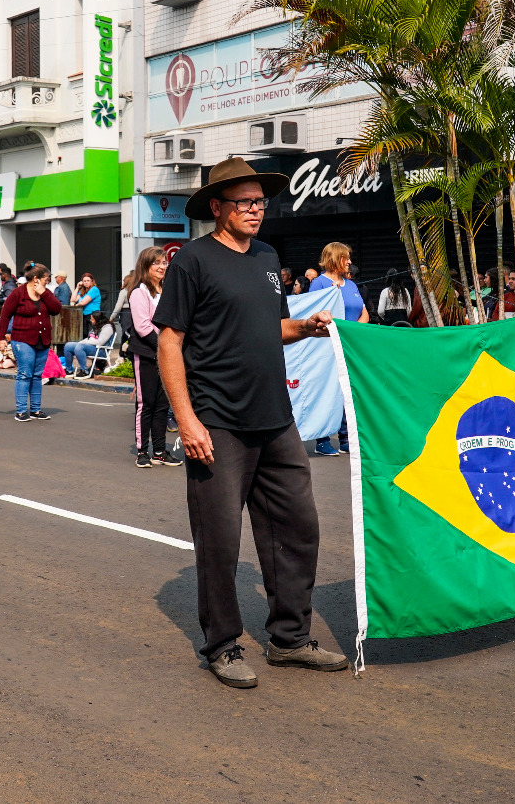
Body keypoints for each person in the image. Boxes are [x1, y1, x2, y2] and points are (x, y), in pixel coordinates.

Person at [154, 157, 345, 688]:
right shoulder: (193, 261)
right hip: (217, 421)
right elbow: (170, 340)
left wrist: (304, 327)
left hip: (275, 418)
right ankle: (222, 645)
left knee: (297, 529)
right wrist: (187, 420)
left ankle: (290, 639)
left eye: (261, 202)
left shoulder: (266, 256)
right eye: (245, 202)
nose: (256, 210)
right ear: (217, 208)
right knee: (219, 540)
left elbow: (270, 326)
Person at [309, 242, 370, 455]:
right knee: (327, 392)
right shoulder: (319, 284)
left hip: (350, 346)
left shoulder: (351, 285)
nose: (350, 262)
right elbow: (315, 315)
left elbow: (364, 312)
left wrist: (351, 332)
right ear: (335, 258)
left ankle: (345, 438)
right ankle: (322, 439)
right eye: (346, 258)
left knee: (347, 393)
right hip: (326, 347)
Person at [127, 247, 175, 468]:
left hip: (166, 354)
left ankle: (159, 451)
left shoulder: (167, 290)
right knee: (146, 404)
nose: (162, 266)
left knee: (162, 405)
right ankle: (142, 451)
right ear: (145, 266)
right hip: (147, 353)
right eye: (156, 263)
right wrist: (165, 347)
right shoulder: (140, 292)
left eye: (164, 262)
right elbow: (143, 326)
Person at [0, 263, 62, 422]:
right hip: (22, 339)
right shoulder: (18, 293)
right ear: (36, 278)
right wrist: (0, 338)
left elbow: (56, 309)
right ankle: (21, 411)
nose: (47, 281)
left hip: (43, 339)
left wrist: (44, 293)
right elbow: (5, 315)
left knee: (37, 375)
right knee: (25, 373)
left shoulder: (46, 293)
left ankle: (35, 410)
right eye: (46, 279)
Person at [63, 312, 115, 377]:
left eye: (92, 319)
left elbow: (100, 342)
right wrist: (81, 342)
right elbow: (89, 338)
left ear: (98, 320)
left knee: (80, 347)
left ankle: (84, 371)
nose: (90, 320)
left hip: (101, 350)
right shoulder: (96, 326)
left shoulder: (108, 328)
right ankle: (69, 370)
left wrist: (86, 342)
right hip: (91, 347)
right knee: (68, 346)